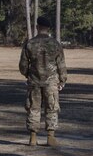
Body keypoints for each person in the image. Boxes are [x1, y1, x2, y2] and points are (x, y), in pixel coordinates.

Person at [18, 16, 67, 147]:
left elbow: (23, 65)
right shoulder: (55, 44)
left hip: (34, 82)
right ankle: (51, 137)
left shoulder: (29, 44)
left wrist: (28, 74)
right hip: (51, 82)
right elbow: (61, 64)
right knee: (51, 108)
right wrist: (62, 80)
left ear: (37, 27)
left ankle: (33, 137)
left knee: (33, 108)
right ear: (49, 28)